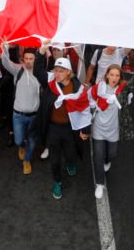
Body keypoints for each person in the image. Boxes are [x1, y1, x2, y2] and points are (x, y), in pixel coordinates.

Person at [34, 40, 91, 200]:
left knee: (71, 154)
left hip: (70, 128)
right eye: (55, 70)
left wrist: (85, 129)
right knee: (54, 160)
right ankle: (57, 181)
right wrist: (41, 52)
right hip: (53, 128)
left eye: (60, 71)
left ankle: (71, 163)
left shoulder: (77, 89)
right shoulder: (51, 83)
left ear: (68, 72)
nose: (56, 73)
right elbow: (38, 71)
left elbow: (84, 109)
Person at [89, 55, 134, 199]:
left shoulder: (123, 89)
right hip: (98, 129)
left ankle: (107, 162)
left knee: (112, 154)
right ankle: (100, 184)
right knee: (98, 156)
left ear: (120, 77)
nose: (114, 78)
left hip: (114, 130)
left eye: (117, 75)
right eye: (111, 75)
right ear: (107, 75)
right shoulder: (98, 88)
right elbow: (88, 99)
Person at [1, 41, 41, 175]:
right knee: (18, 140)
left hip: (34, 116)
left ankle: (27, 161)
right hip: (18, 115)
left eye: (31, 59)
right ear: (23, 59)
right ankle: (21, 146)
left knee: (32, 140)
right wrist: (5, 49)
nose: (28, 61)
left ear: (35, 59)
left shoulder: (40, 74)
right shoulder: (18, 70)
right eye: (26, 58)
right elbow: (6, 62)